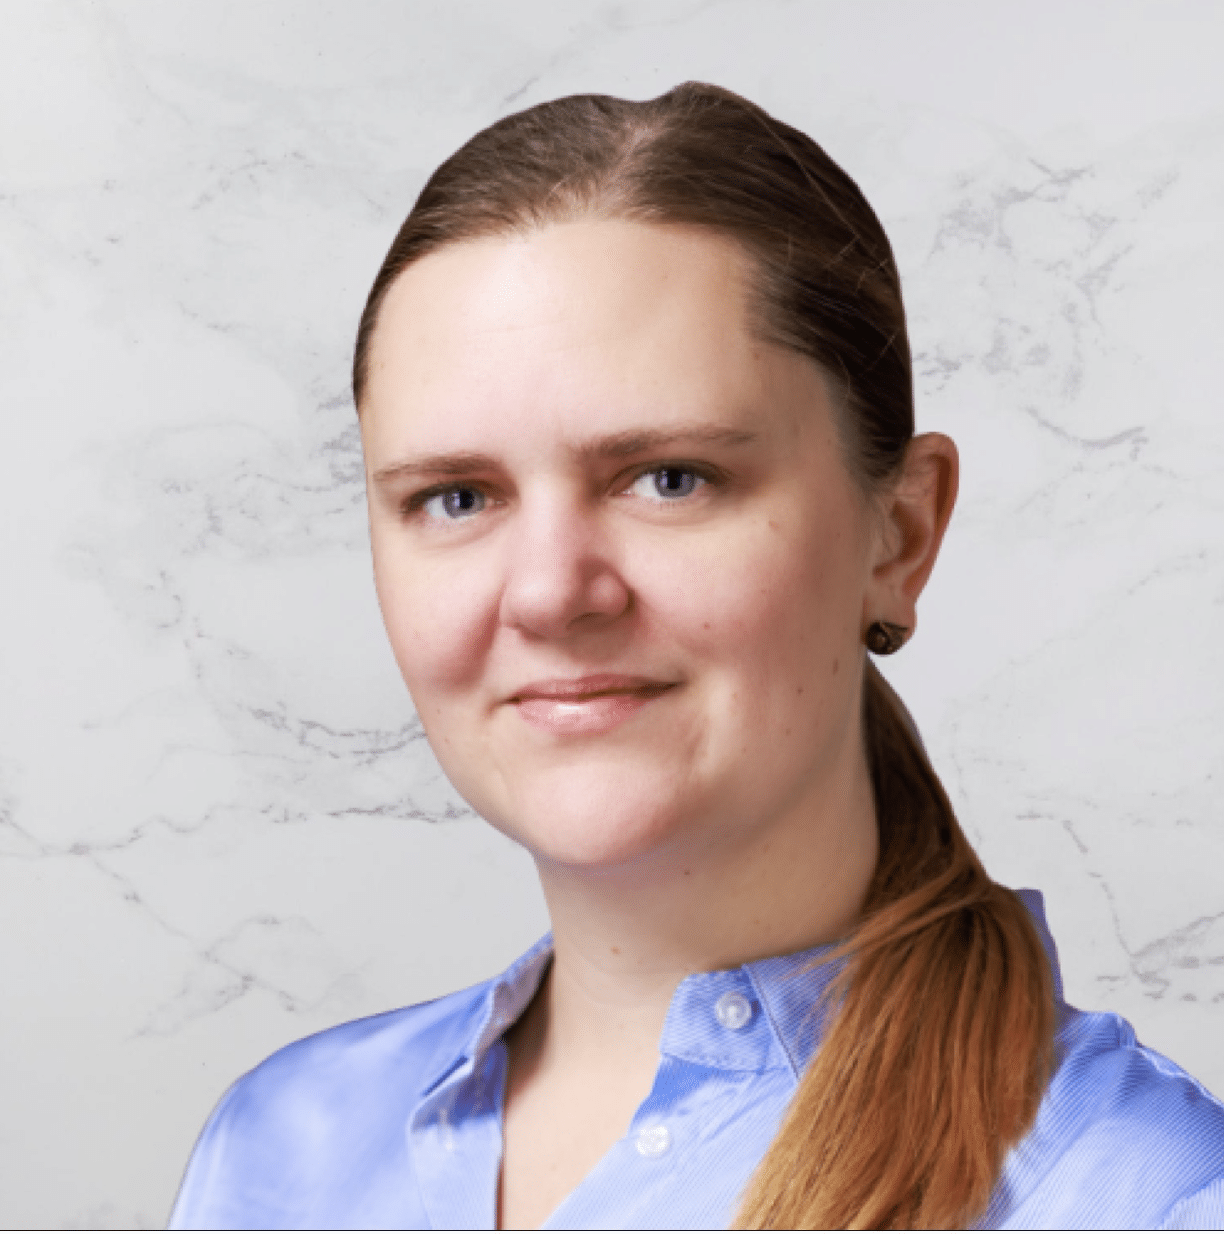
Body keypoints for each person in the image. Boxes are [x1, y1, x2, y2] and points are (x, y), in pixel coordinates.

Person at [168, 82, 1224, 1230]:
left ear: (900, 533)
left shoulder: (1143, 1196)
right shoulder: (281, 1151)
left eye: (670, 478)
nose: (550, 592)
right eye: (457, 496)